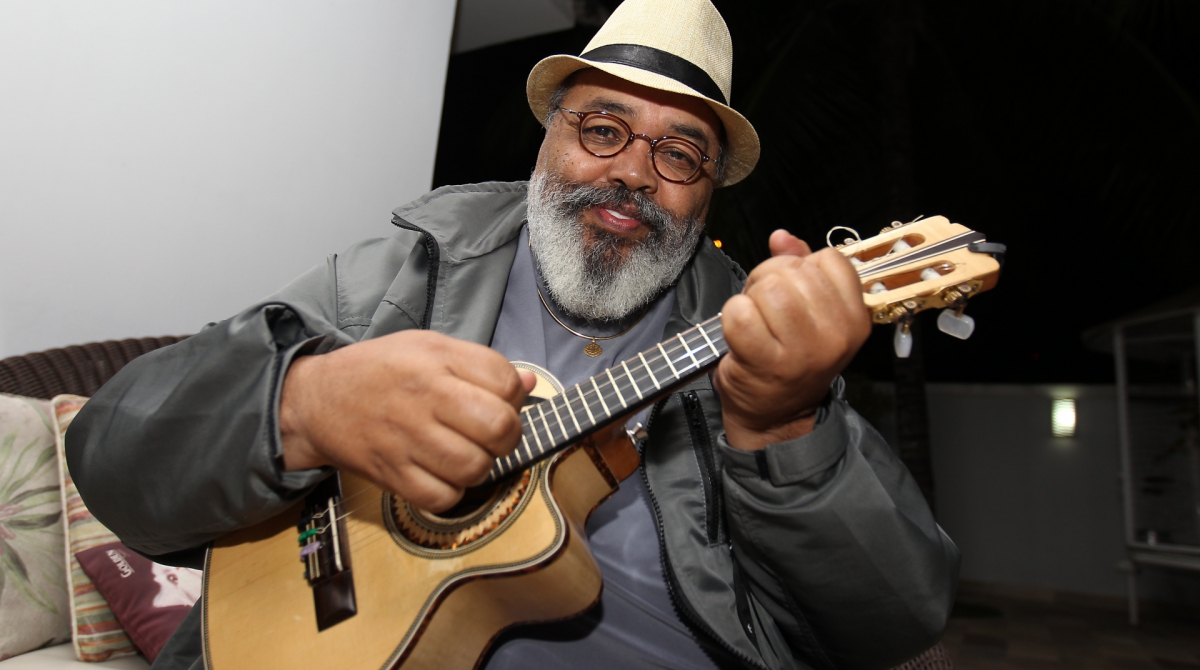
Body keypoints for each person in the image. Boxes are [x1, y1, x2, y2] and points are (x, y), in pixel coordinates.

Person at [66, 0, 960, 668]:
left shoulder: (761, 339)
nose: (632, 176)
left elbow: (896, 617)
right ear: (547, 139)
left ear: (709, 189)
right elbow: (116, 452)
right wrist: (299, 406)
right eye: (602, 129)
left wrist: (784, 427)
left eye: (678, 154)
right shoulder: (397, 276)